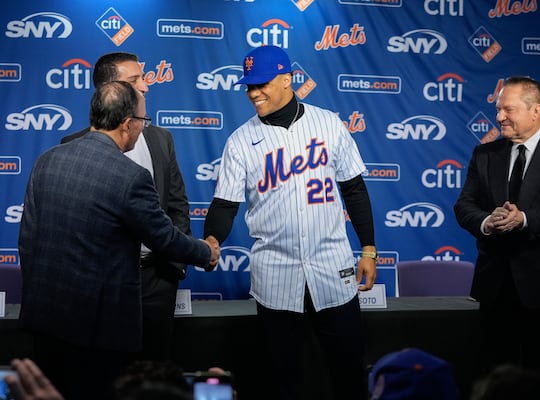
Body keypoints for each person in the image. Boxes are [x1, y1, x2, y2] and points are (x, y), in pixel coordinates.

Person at [18, 81, 219, 400]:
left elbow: (27, 240)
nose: (143, 129)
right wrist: (205, 252)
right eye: (143, 122)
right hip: (97, 330)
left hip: (45, 320)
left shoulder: (47, 159)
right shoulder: (129, 176)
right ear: (127, 124)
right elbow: (164, 238)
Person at [203, 45, 377, 400]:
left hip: (333, 269)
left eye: (262, 83)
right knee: (283, 379)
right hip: (276, 275)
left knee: (349, 373)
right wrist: (210, 239)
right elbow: (224, 205)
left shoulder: (328, 124)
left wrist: (369, 249)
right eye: (249, 86)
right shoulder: (240, 141)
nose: (254, 92)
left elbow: (354, 189)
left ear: (287, 79)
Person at [453, 76, 540, 377]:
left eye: (509, 109)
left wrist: (524, 219)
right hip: (494, 286)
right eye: (498, 110)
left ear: (536, 111)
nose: (500, 116)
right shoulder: (485, 154)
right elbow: (464, 206)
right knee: (495, 374)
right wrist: (487, 221)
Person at [60, 52, 192, 362]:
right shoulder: (73, 146)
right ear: (109, 89)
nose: (146, 86)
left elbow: (177, 204)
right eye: (135, 80)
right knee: (104, 370)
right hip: (101, 283)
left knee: (154, 371)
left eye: (143, 78)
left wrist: (174, 268)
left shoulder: (161, 139)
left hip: (156, 281)